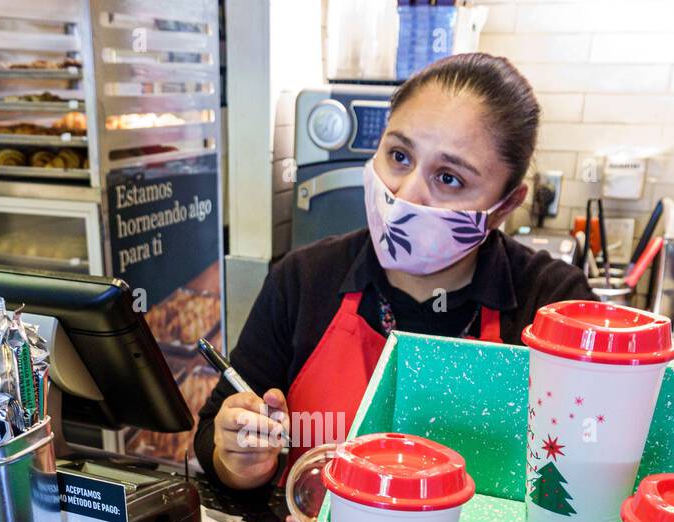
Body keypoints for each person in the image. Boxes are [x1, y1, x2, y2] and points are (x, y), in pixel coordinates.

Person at [194, 52, 595, 493]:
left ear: (504, 207)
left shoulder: (553, 303)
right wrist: (239, 460)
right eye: (399, 156)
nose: (405, 193)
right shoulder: (304, 280)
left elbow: (592, 468)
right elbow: (218, 433)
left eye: (449, 179)